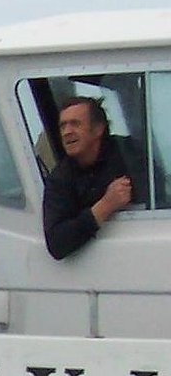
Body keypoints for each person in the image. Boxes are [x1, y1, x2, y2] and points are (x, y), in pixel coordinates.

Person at [42, 96, 133, 261]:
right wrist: (105, 205)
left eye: (75, 124)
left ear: (98, 129)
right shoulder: (60, 178)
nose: (67, 132)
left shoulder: (130, 154)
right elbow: (56, 243)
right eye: (63, 126)